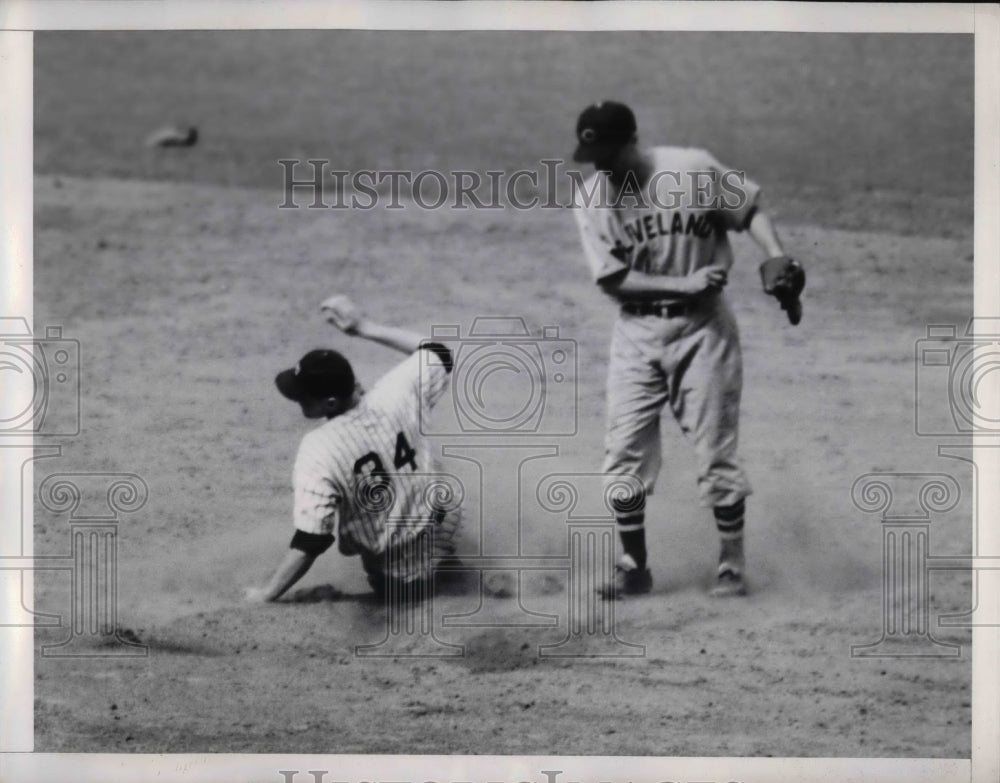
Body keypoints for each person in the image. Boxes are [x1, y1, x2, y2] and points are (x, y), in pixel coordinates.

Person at [569, 100, 792, 599]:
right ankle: (634, 566)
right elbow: (613, 280)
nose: (603, 168)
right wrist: (683, 282)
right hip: (637, 333)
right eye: (595, 160)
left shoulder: (691, 168)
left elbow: (749, 209)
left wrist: (776, 253)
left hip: (703, 330)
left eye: (610, 155)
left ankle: (731, 564)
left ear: (633, 141)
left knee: (716, 451)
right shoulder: (592, 198)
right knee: (623, 453)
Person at [244, 295, 461, 602]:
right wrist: (364, 327)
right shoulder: (395, 393)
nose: (298, 400)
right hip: (447, 534)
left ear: (330, 403)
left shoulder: (318, 449)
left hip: (399, 579)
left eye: (304, 397)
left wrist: (267, 593)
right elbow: (438, 352)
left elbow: (311, 539)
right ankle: (461, 579)